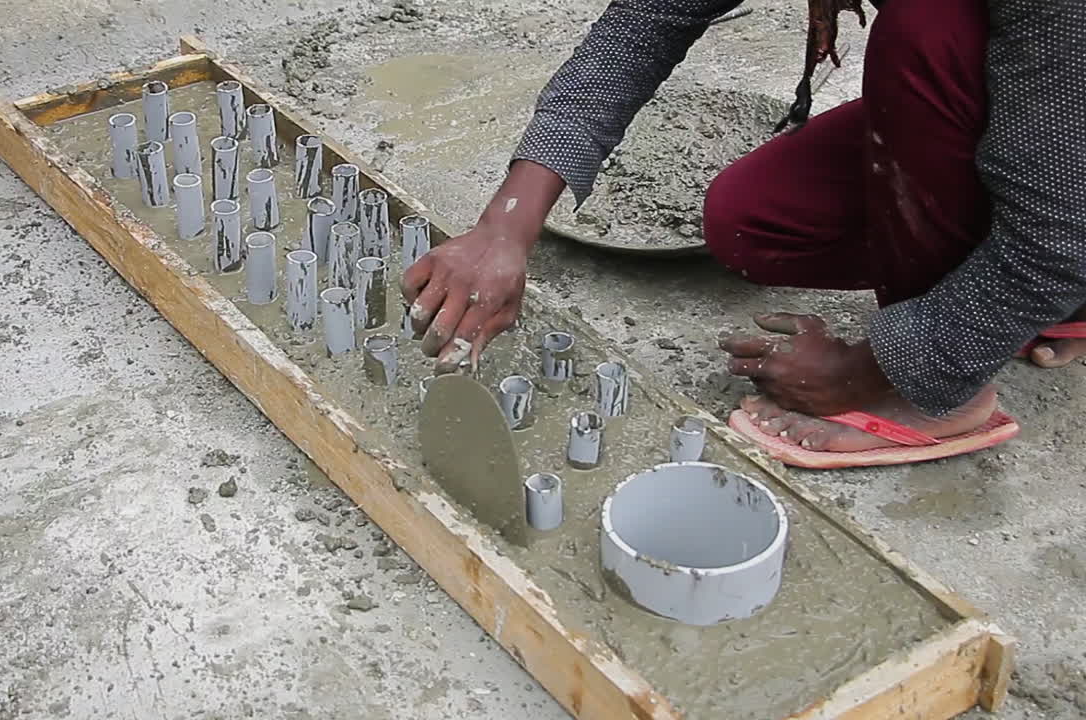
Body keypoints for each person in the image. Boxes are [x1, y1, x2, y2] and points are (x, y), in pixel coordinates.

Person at [399, 0, 1086, 468]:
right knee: (752, 220)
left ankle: (946, 395)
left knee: (924, 27)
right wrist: (506, 225)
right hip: (1043, 117)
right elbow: (648, 20)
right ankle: (1029, 297)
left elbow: (1062, 230)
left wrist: (874, 365)